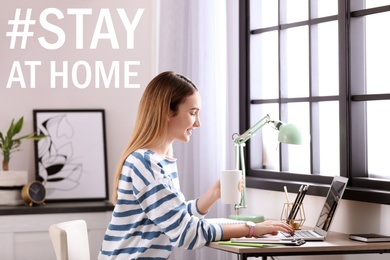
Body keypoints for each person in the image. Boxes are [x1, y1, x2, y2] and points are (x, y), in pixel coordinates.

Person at [98, 71, 294, 259]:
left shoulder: (159, 162)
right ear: (167, 111)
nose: (198, 123)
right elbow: (186, 233)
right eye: (193, 113)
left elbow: (175, 218)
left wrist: (212, 195)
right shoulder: (145, 163)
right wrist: (251, 229)